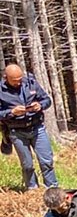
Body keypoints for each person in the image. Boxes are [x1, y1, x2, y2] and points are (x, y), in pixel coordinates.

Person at [0, 63, 57, 191]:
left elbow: (47, 100)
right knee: (27, 165)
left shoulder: (31, 83)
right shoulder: (1, 91)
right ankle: (32, 190)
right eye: (15, 81)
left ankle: (52, 189)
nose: (19, 83)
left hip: (37, 128)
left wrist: (40, 105)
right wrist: (12, 112)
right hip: (17, 131)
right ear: (5, 78)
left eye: (20, 79)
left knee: (46, 161)